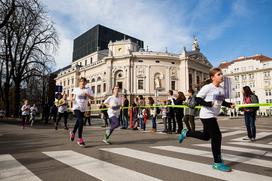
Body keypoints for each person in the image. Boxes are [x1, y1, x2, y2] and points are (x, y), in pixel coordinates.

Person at [178, 67, 235, 172]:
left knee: (206, 136)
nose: (221, 76)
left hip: (213, 115)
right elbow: (198, 98)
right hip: (206, 114)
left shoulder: (221, 89)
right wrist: (207, 103)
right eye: (219, 74)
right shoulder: (208, 87)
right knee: (217, 136)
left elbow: (220, 101)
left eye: (221, 74)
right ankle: (217, 163)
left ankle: (186, 133)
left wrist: (229, 105)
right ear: (212, 77)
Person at [69, 77, 94, 147]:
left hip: (83, 109)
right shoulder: (76, 89)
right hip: (76, 107)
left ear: (86, 83)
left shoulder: (88, 90)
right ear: (79, 83)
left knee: (78, 122)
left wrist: (88, 95)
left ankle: (73, 132)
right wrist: (71, 100)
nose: (82, 83)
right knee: (81, 121)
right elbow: (72, 97)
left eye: (84, 82)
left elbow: (92, 98)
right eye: (81, 82)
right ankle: (80, 139)